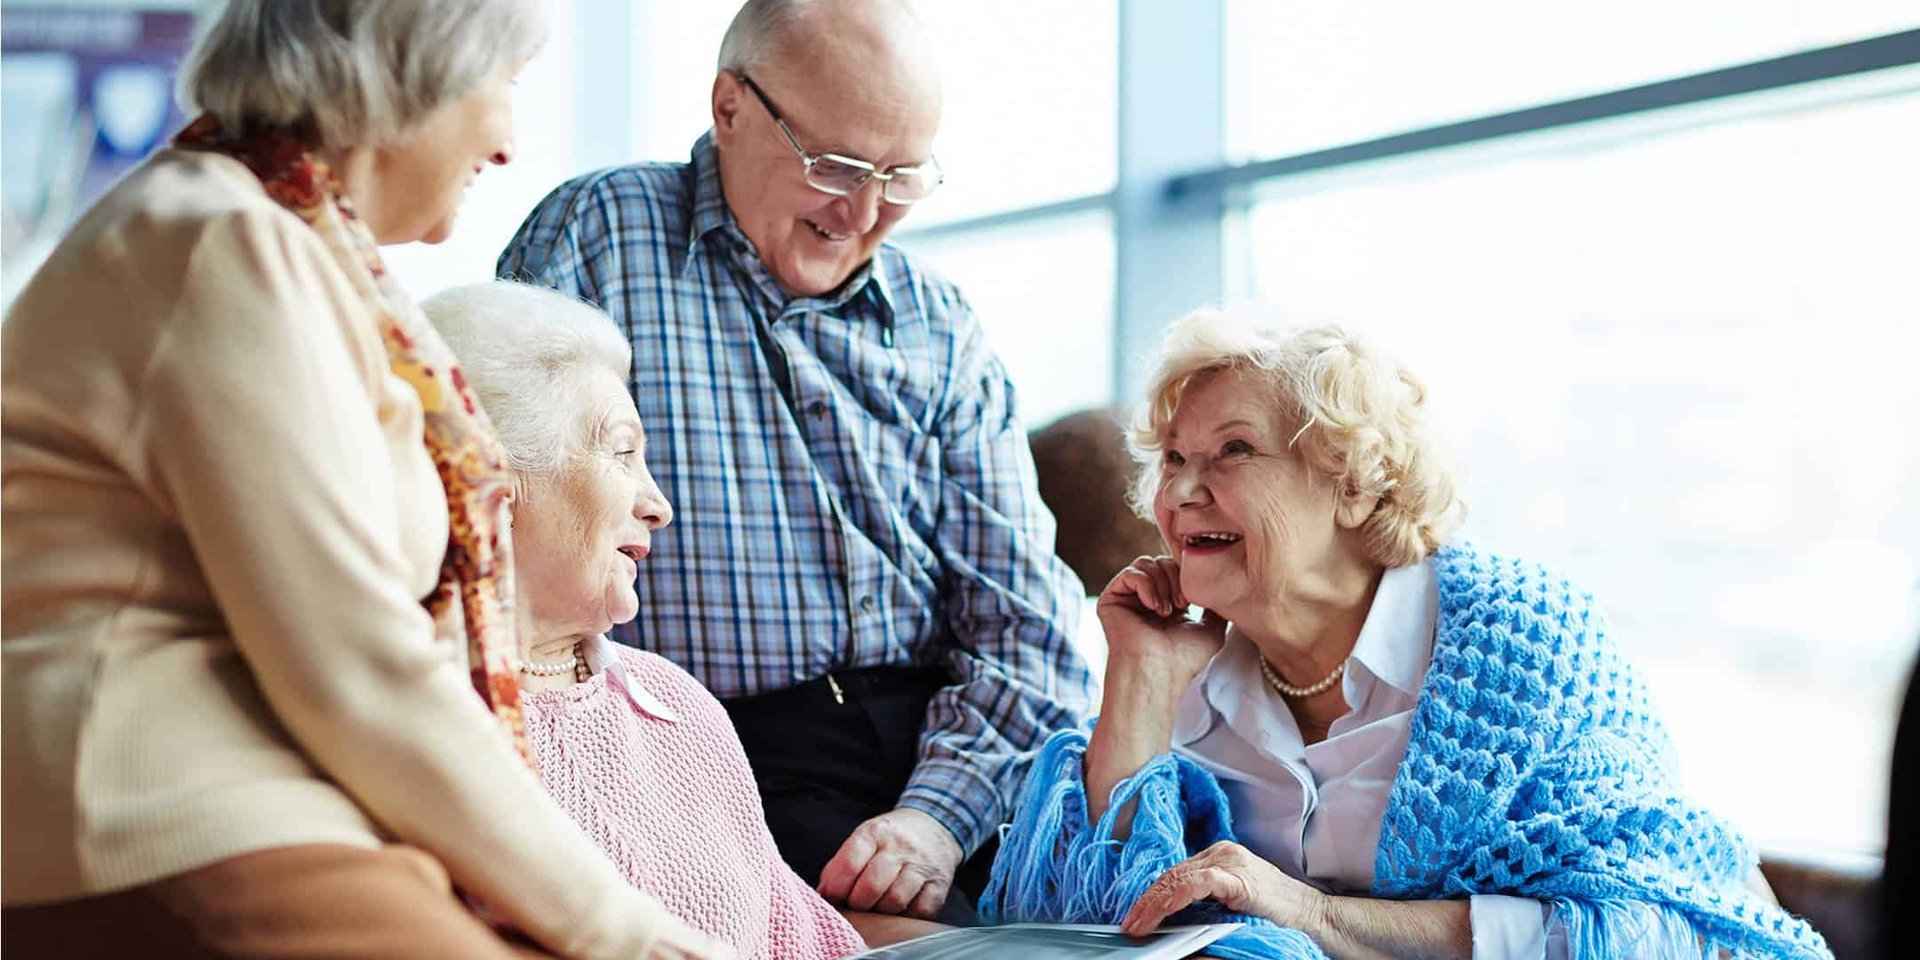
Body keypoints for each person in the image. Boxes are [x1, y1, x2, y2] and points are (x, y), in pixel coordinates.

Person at [0, 4, 722, 958]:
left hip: (252, 805)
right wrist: (629, 934)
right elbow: (359, 669)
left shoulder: (297, 256)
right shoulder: (218, 240)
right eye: (502, 85)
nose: (508, 141)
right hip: (150, 812)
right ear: (410, 79)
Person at [983, 310, 1834, 959]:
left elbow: (1649, 925)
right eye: (1172, 458)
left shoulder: (1519, 637)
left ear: (1352, 487)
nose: (1181, 493)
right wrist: (1138, 678)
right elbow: (1074, 923)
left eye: (1232, 451)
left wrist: (1311, 913)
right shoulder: (1189, 661)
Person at [496, 0, 1094, 925]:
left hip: (947, 756)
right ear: (729, 106)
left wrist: (935, 820)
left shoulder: (940, 324)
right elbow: (510, 534)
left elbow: (1030, 631)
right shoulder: (600, 235)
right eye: (837, 165)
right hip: (704, 750)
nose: (862, 213)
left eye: (899, 176)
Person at [423, 280, 947, 954]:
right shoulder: (409, 719)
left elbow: (804, 942)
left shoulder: (675, 706)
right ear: (492, 471)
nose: (658, 504)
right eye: (621, 454)